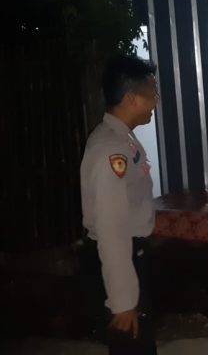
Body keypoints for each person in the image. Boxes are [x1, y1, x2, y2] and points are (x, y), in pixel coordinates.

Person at [80, 55, 160, 354]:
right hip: (122, 260)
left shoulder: (123, 140)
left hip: (132, 256)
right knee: (133, 347)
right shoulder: (110, 150)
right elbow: (111, 230)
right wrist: (122, 301)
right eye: (152, 93)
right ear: (131, 98)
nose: (156, 101)